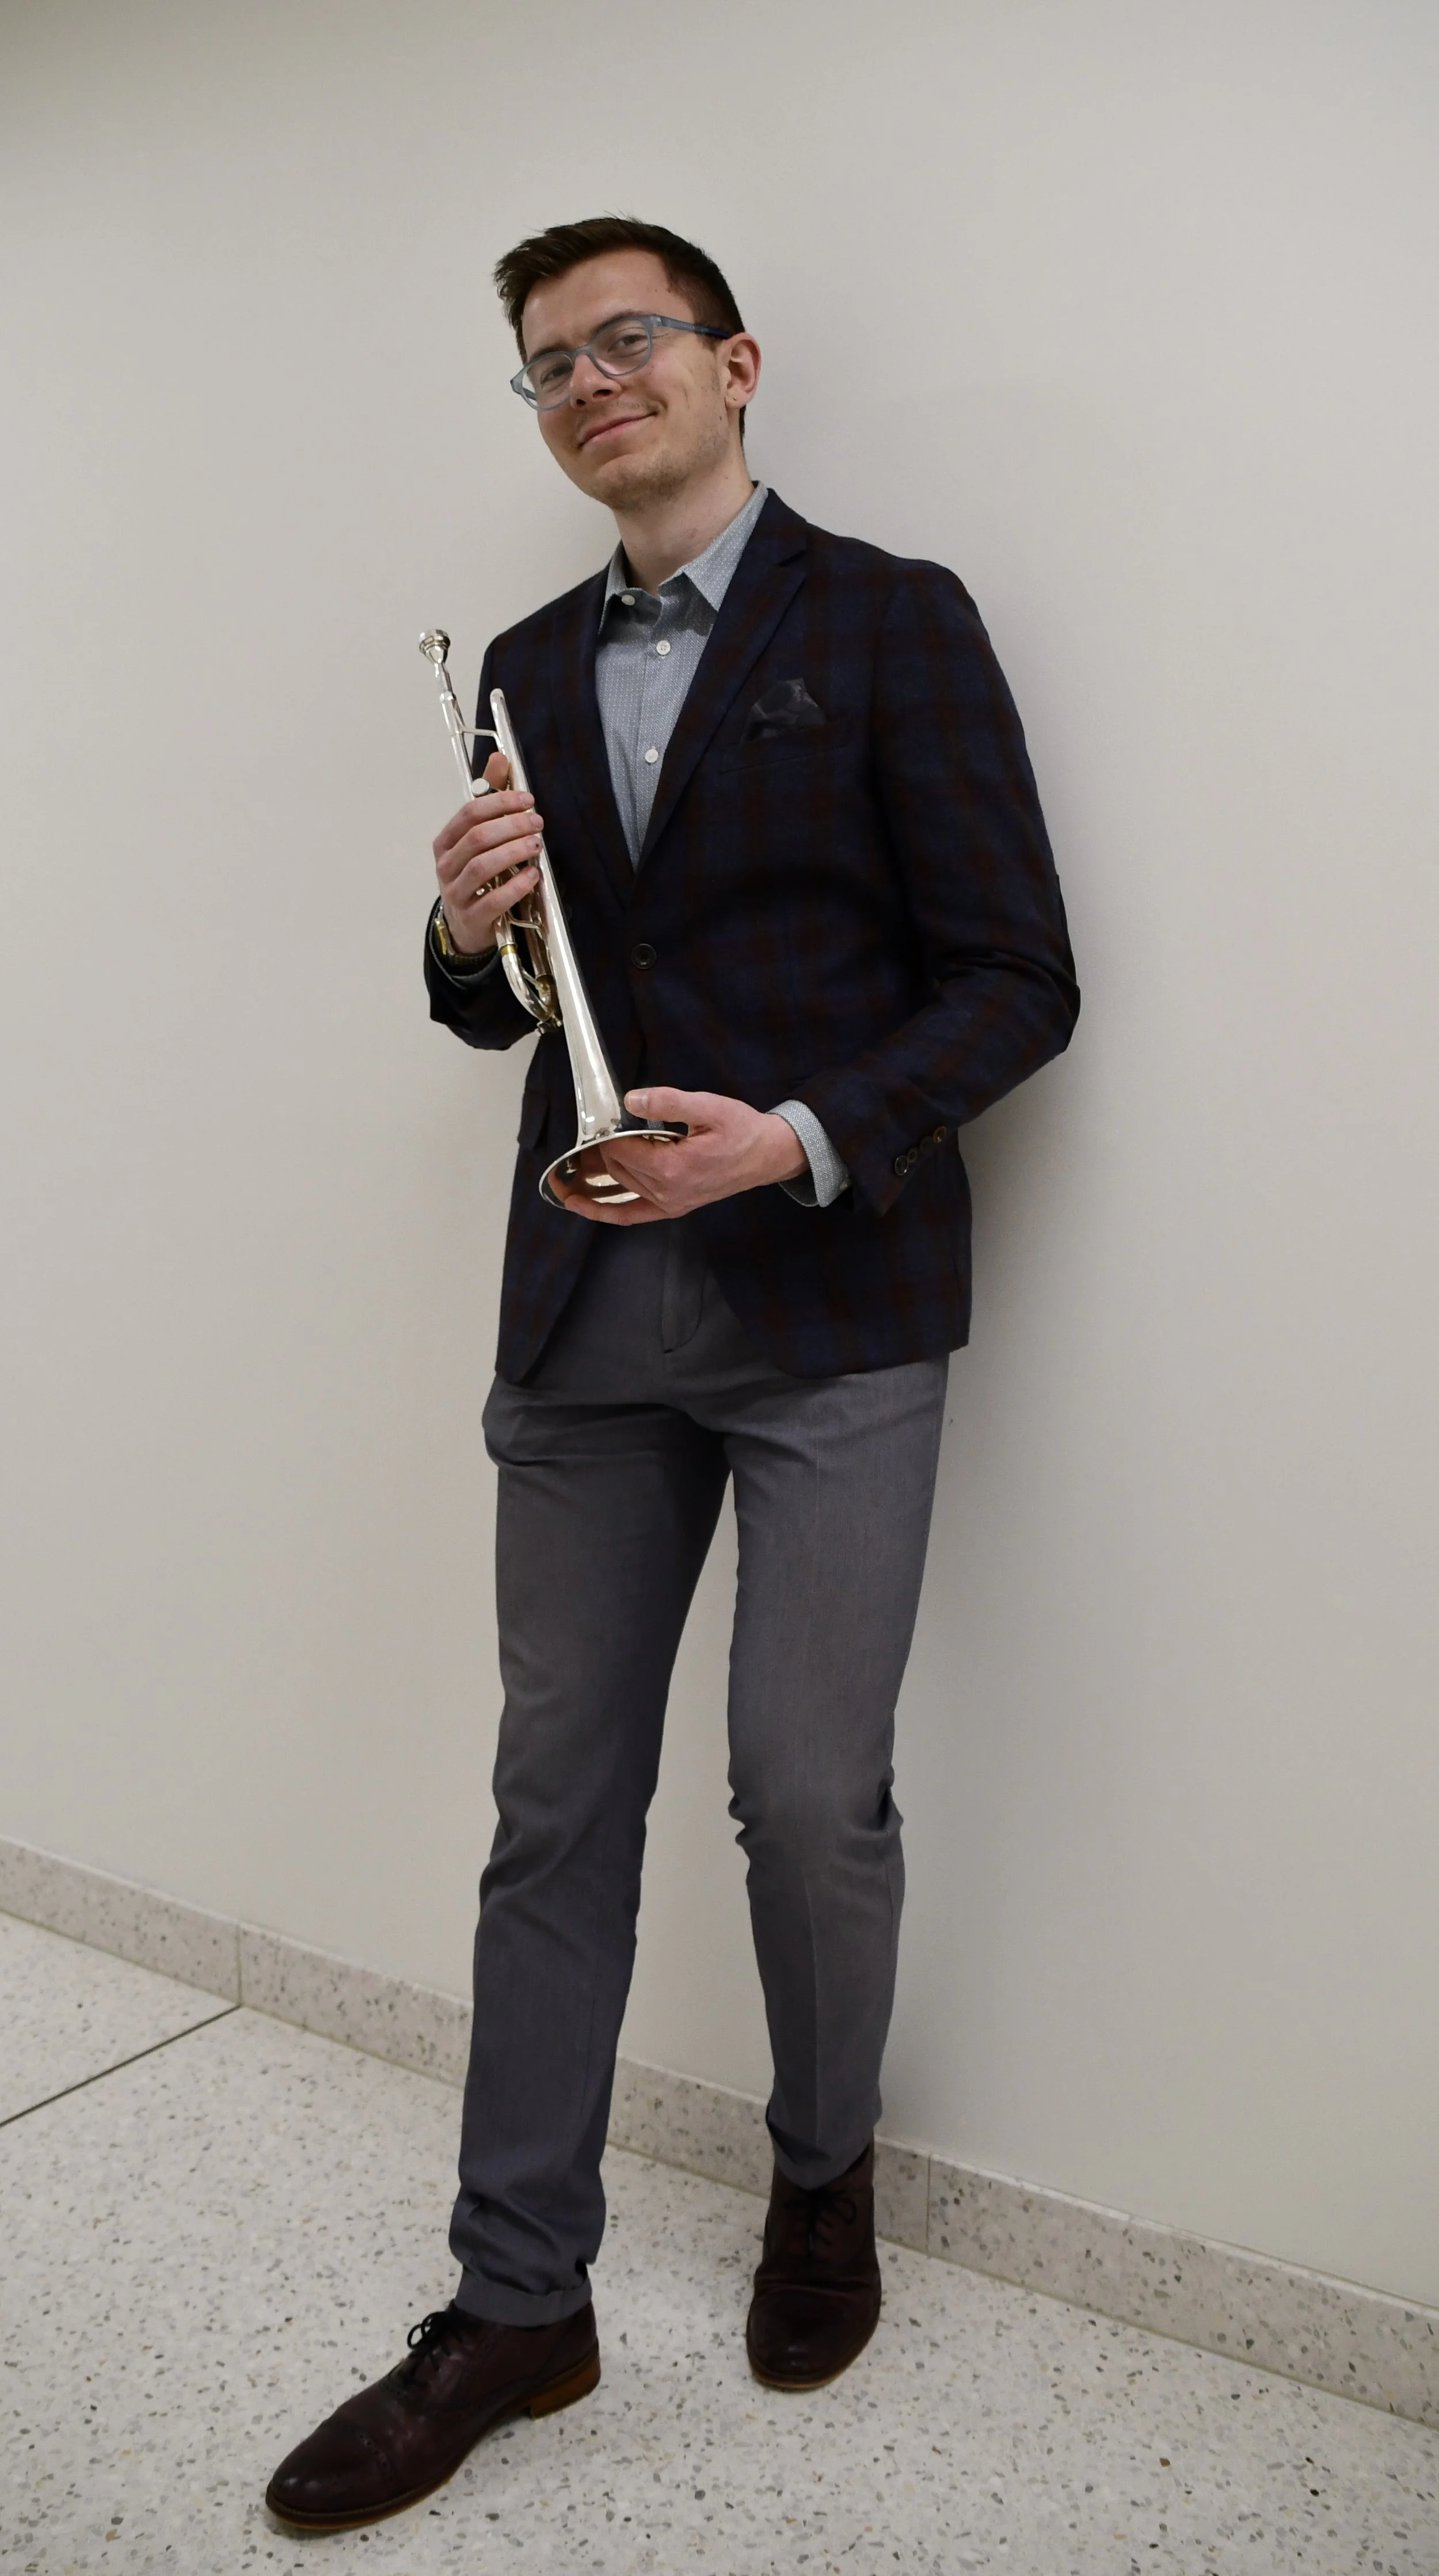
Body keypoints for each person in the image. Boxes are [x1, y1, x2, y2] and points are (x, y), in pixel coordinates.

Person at [266, 215, 1078, 2533]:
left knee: (807, 1791)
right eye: (545, 364)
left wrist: (798, 1137)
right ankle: (517, 2294)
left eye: (628, 339)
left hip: (829, 1305)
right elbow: (497, 1008)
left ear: (729, 361)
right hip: (589, 1325)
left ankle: (822, 2172)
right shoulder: (520, 659)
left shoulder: (892, 617)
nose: (589, 380)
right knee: (554, 1805)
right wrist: (459, 921)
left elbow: (1018, 976)